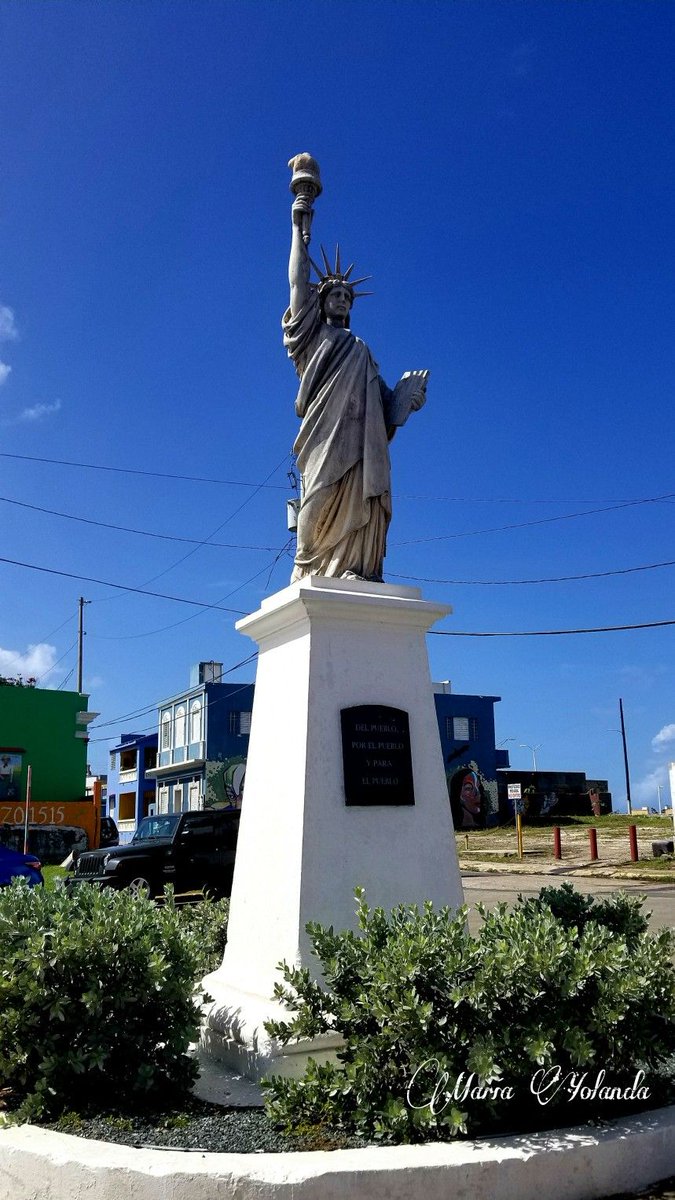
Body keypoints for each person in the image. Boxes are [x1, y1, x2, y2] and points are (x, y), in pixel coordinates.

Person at [283, 181, 427, 582]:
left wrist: (404, 401)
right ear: (321, 301)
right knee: (317, 500)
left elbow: (383, 411)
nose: (344, 299)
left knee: (363, 496)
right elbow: (297, 283)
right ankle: (308, 565)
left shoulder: (361, 349)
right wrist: (299, 224)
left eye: (349, 296)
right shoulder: (312, 340)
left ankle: (355, 567)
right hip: (324, 438)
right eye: (336, 294)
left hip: (363, 446)